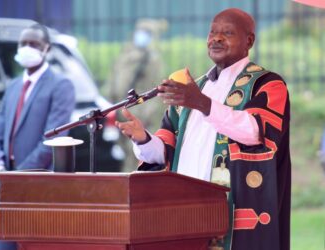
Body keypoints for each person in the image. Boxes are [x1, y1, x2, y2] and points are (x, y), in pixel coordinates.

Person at [116, 8, 291, 250]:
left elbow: (254, 132)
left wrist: (201, 103)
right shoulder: (195, 87)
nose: (216, 38)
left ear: (249, 40)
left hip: (231, 213)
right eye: (212, 32)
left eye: (227, 33)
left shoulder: (266, 84)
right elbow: (166, 153)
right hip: (186, 212)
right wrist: (143, 139)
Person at [0, 24, 75, 250]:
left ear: (47, 49)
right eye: (23, 44)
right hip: (7, 191)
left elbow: (52, 142)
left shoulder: (60, 86)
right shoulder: (13, 87)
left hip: (38, 188)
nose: (27, 48)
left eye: (34, 44)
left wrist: (15, 178)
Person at [106, 18, 168, 171]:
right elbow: (114, 82)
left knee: (136, 157)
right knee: (125, 153)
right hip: (120, 111)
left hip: (139, 115)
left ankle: (132, 187)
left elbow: (156, 89)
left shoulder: (152, 59)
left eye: (147, 33)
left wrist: (146, 116)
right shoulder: (125, 54)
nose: (142, 35)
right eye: (141, 31)